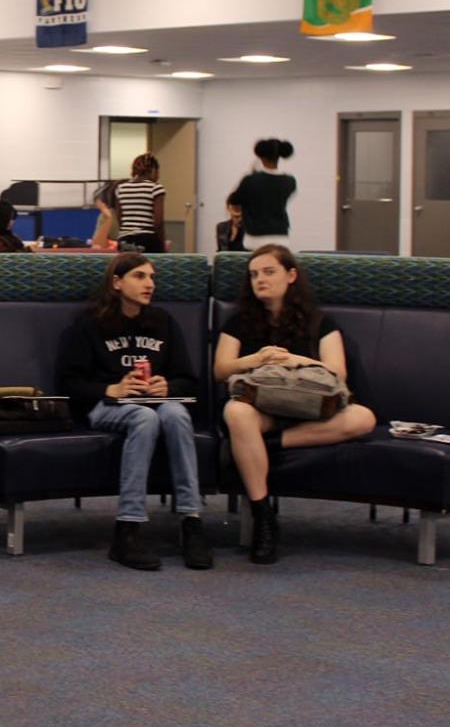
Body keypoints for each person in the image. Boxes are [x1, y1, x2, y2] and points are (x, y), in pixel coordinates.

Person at [212, 245, 375, 564]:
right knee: (236, 411)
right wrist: (256, 359)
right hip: (263, 407)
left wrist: (294, 361)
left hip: (311, 410)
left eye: (269, 272)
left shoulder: (320, 321)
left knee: (364, 418)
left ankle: (261, 446)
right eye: (254, 274)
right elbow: (220, 369)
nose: (260, 280)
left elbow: (338, 372)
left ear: (291, 275)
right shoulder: (238, 322)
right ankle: (263, 516)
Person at [57, 252, 211, 571]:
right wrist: (109, 389)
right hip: (103, 406)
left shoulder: (163, 321)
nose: (149, 284)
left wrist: (168, 387)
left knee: (176, 414)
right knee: (145, 418)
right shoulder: (89, 323)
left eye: (152, 277)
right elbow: (67, 382)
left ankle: (191, 521)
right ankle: (127, 528)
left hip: (154, 403)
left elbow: (189, 380)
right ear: (117, 282)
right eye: (140, 276)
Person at [92, 154, 166, 252]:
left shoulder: (121, 188)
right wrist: (161, 244)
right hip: (147, 239)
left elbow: (120, 218)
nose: (158, 176)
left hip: (125, 240)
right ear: (153, 170)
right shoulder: (156, 188)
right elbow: (158, 222)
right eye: (158, 172)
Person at [231, 139, 296, 248]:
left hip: (255, 237)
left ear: (261, 157)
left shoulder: (250, 180)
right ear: (279, 157)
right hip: (281, 236)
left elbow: (235, 201)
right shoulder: (290, 181)